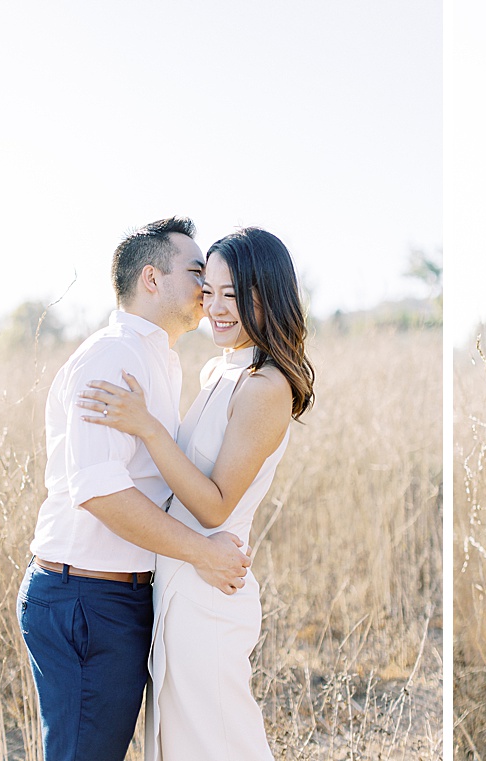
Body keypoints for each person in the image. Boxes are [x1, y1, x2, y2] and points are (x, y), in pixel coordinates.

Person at [16, 217, 253, 761]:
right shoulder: (114, 357)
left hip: (114, 596)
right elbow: (100, 493)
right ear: (152, 279)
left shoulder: (160, 360)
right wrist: (204, 553)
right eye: (196, 272)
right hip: (86, 598)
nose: (207, 288)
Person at [77, 227, 315, 760]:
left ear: (268, 294)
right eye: (210, 290)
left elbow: (214, 502)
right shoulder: (218, 370)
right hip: (179, 580)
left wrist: (146, 427)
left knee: (222, 742)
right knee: (181, 743)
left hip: (213, 586)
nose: (217, 307)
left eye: (235, 294)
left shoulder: (265, 387)